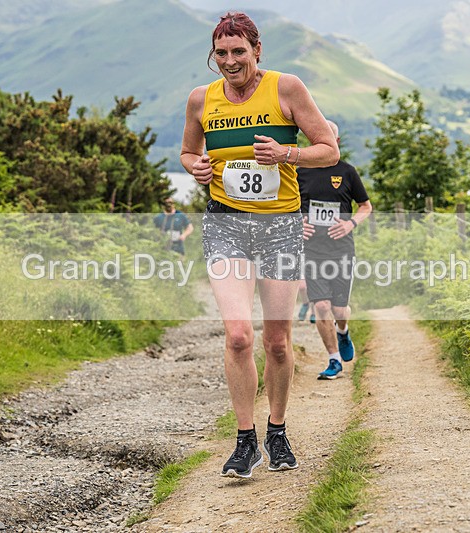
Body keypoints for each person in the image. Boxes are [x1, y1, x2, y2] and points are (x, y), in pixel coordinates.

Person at [180, 12, 339, 478]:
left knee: (277, 342)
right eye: (221, 54)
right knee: (237, 335)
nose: (230, 62)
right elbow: (188, 152)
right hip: (226, 224)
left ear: (257, 50)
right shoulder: (200, 99)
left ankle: (278, 429)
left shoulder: (286, 88)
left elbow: (328, 149)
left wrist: (287, 153)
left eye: (238, 52)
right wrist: (197, 168)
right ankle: (245, 440)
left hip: (280, 227)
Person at [298, 120, 372, 380]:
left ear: (336, 143)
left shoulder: (348, 172)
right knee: (321, 306)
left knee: (339, 310)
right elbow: (286, 207)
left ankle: (343, 331)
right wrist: (298, 223)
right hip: (312, 250)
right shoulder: (299, 172)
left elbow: (365, 206)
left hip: (341, 250)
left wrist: (350, 223)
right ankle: (333, 359)